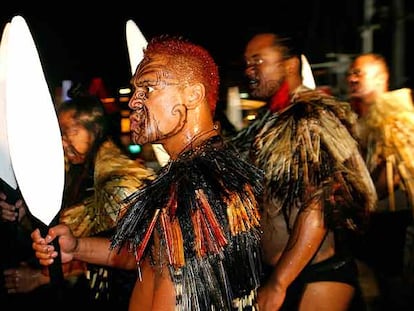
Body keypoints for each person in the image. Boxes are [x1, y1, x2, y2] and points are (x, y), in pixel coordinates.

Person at [31, 35, 264, 311]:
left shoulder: (201, 187)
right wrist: (76, 247)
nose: (133, 102)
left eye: (148, 88)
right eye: (135, 90)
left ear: (193, 94)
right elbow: (149, 256)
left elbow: (188, 297)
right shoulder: (185, 176)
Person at [228, 32, 378, 311]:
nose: (249, 70)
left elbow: (317, 207)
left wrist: (279, 283)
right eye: (247, 63)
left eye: (258, 61)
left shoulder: (313, 117)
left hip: (316, 276)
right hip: (277, 274)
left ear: (290, 64)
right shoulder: (265, 123)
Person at [1, 87, 155, 310]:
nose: (62, 143)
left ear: (95, 128)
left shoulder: (121, 180)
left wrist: (41, 278)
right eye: (59, 135)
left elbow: (136, 254)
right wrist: (24, 211)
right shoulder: (72, 169)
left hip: (119, 296)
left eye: (68, 131)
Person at [347, 52, 414, 309]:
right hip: (374, 220)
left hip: (392, 222)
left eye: (359, 73)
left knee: (391, 293)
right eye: (351, 72)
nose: (352, 78)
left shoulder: (394, 116)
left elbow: (392, 174)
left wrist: (357, 200)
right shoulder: (361, 119)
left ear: (380, 78)